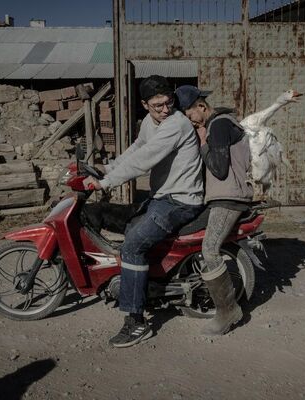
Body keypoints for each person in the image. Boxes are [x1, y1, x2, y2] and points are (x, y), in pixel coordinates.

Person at [84, 75, 204, 348]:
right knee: (126, 226)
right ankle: (143, 284)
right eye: (158, 105)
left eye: (168, 102)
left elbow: (145, 160)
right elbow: (138, 148)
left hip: (181, 201)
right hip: (163, 197)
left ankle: (136, 323)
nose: (165, 109)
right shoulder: (152, 122)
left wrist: (105, 182)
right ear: (144, 104)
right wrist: (108, 169)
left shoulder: (176, 124)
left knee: (133, 245)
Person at [175, 85, 254, 335]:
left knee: (209, 249)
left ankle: (228, 310)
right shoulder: (217, 124)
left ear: (201, 106)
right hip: (222, 196)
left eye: (190, 115)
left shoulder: (218, 125)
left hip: (229, 198)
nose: (190, 120)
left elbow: (219, 169)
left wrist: (202, 144)